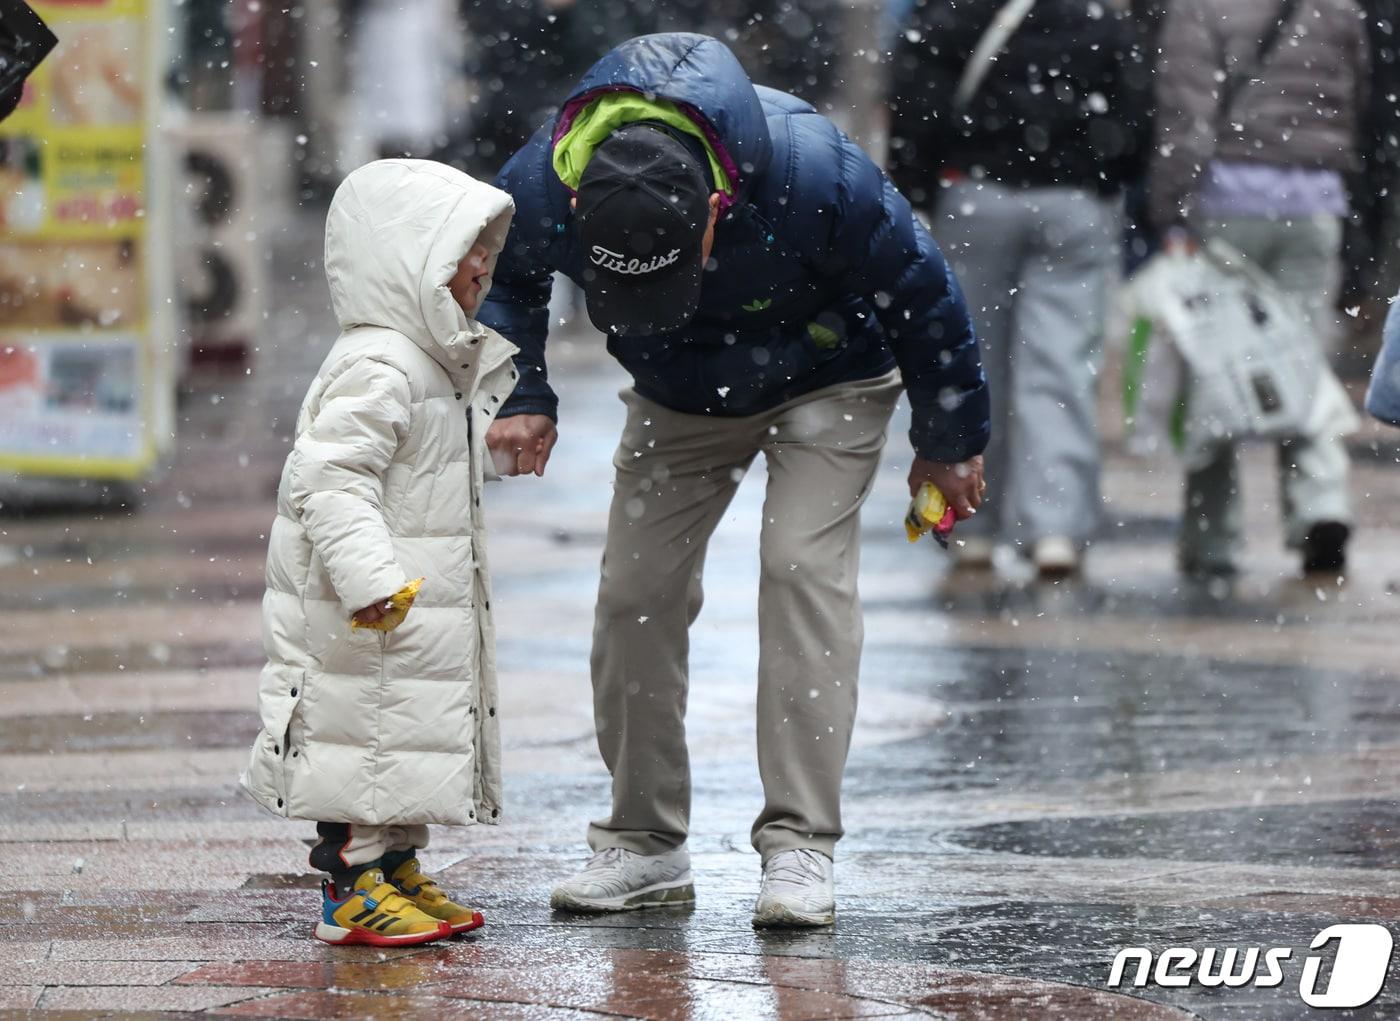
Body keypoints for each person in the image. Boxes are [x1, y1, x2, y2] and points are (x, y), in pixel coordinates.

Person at [477, 32, 989, 928]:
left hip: (833, 374)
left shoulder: (818, 172)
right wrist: (523, 387)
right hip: (678, 387)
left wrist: (950, 439)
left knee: (800, 567)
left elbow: (924, 289)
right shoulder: (542, 184)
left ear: (717, 205)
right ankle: (642, 843)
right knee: (635, 591)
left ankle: (799, 846)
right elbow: (505, 278)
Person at [240, 159, 521, 946]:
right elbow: (329, 479)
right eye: (467, 260)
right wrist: (367, 576)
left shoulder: (432, 363)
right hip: (360, 607)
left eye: (485, 263)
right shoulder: (380, 364)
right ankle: (350, 884)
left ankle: (396, 867)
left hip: (404, 610)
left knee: (398, 743)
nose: (480, 275)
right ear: (412, 266)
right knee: (355, 744)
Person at [888, 0, 1148, 578]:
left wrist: (919, 187)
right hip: (1075, 202)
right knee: (1059, 368)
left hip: (976, 196)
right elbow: (1136, 116)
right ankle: (1055, 527)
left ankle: (970, 524)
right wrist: (1101, 173)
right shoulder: (1101, 15)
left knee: (971, 368)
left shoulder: (953, 12)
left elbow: (916, 101)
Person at [1149, 0, 1368, 577]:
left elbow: (1186, 112)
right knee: (1301, 361)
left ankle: (1211, 538)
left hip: (1228, 202)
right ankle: (1321, 507)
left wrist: (1171, 208)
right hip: (1316, 200)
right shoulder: (1336, 6)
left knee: (1218, 366)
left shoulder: (1199, 8)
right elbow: (1357, 99)